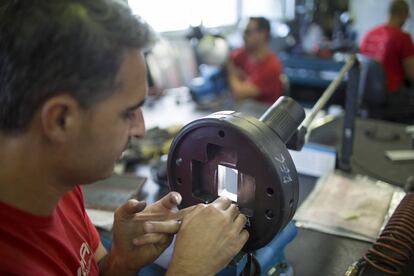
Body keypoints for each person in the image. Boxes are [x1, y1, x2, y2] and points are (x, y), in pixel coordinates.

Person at [0, 0, 249, 275]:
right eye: (129, 112)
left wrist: (120, 261)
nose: (140, 130)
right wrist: (189, 268)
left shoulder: (59, 185)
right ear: (60, 120)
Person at [359, 0, 414, 93]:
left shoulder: (369, 35)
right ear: (403, 14)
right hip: (392, 96)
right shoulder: (403, 38)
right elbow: (411, 74)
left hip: (367, 96)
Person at [227, 17, 284, 104]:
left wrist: (230, 72)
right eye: (243, 32)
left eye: (248, 32)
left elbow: (240, 94)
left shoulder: (271, 66)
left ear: (263, 34)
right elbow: (228, 58)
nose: (243, 36)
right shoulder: (244, 54)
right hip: (245, 109)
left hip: (260, 114)